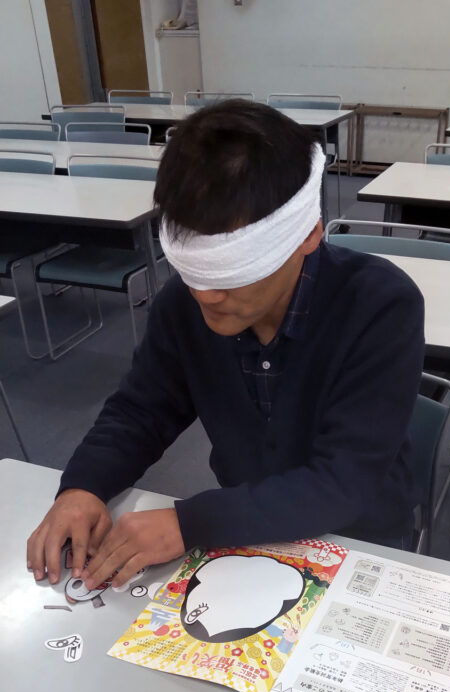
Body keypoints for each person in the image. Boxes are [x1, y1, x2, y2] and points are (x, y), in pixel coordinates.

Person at [27, 99, 425, 591]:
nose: (205, 295)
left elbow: (344, 481)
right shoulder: (183, 305)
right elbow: (141, 410)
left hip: (362, 540)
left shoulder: (381, 306)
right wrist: (84, 485)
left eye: (231, 271)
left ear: (308, 234)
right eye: (191, 269)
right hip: (249, 531)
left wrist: (189, 523)